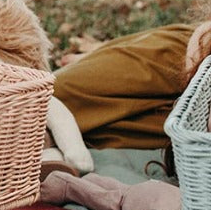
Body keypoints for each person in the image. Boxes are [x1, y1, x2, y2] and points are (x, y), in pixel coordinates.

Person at [52, 11, 211, 151]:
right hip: (187, 60)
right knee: (53, 93)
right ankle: (105, 55)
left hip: (185, 117)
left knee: (96, 133)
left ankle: (105, 53)